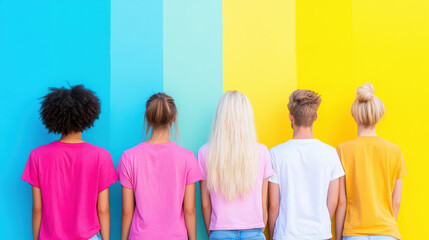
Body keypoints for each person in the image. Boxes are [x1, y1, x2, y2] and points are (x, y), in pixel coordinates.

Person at [22, 85, 117, 240]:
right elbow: (103, 209)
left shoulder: (37, 156)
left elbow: (37, 208)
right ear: (88, 116)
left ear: (53, 117)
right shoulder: (101, 156)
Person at [118, 93, 202, 240]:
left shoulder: (129, 157)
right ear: (174, 118)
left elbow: (127, 210)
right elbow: (189, 210)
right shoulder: (188, 158)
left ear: (148, 118)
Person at [268, 89, 344, 240]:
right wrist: (321, 226)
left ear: (291, 116)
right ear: (315, 117)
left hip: (286, 235)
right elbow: (334, 200)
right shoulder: (330, 153)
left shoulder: (275, 154)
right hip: (320, 234)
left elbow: (274, 205)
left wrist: (271, 235)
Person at [198, 90, 274, 240]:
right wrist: (260, 227)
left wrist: (213, 232)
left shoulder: (205, 152)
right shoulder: (262, 151)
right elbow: (263, 201)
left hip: (220, 232)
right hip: (254, 231)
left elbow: (205, 205)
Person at [336, 83, 407, 240]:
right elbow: (396, 202)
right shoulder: (394, 150)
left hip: (353, 232)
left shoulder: (342, 150)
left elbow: (341, 202)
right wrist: (386, 227)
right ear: (379, 116)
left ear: (354, 116)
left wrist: (339, 236)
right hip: (387, 232)